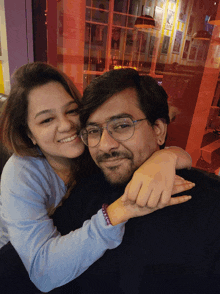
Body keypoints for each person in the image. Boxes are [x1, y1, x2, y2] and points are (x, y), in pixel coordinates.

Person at [0, 62, 193, 292]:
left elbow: (183, 158)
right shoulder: (22, 174)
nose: (66, 126)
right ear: (29, 134)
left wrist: (165, 158)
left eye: (71, 110)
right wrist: (118, 211)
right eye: (46, 120)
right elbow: (43, 272)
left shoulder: (91, 146)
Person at [44, 68, 220, 293]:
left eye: (122, 125)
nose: (105, 145)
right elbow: (45, 267)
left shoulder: (210, 208)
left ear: (158, 130)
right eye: (94, 131)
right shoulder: (85, 192)